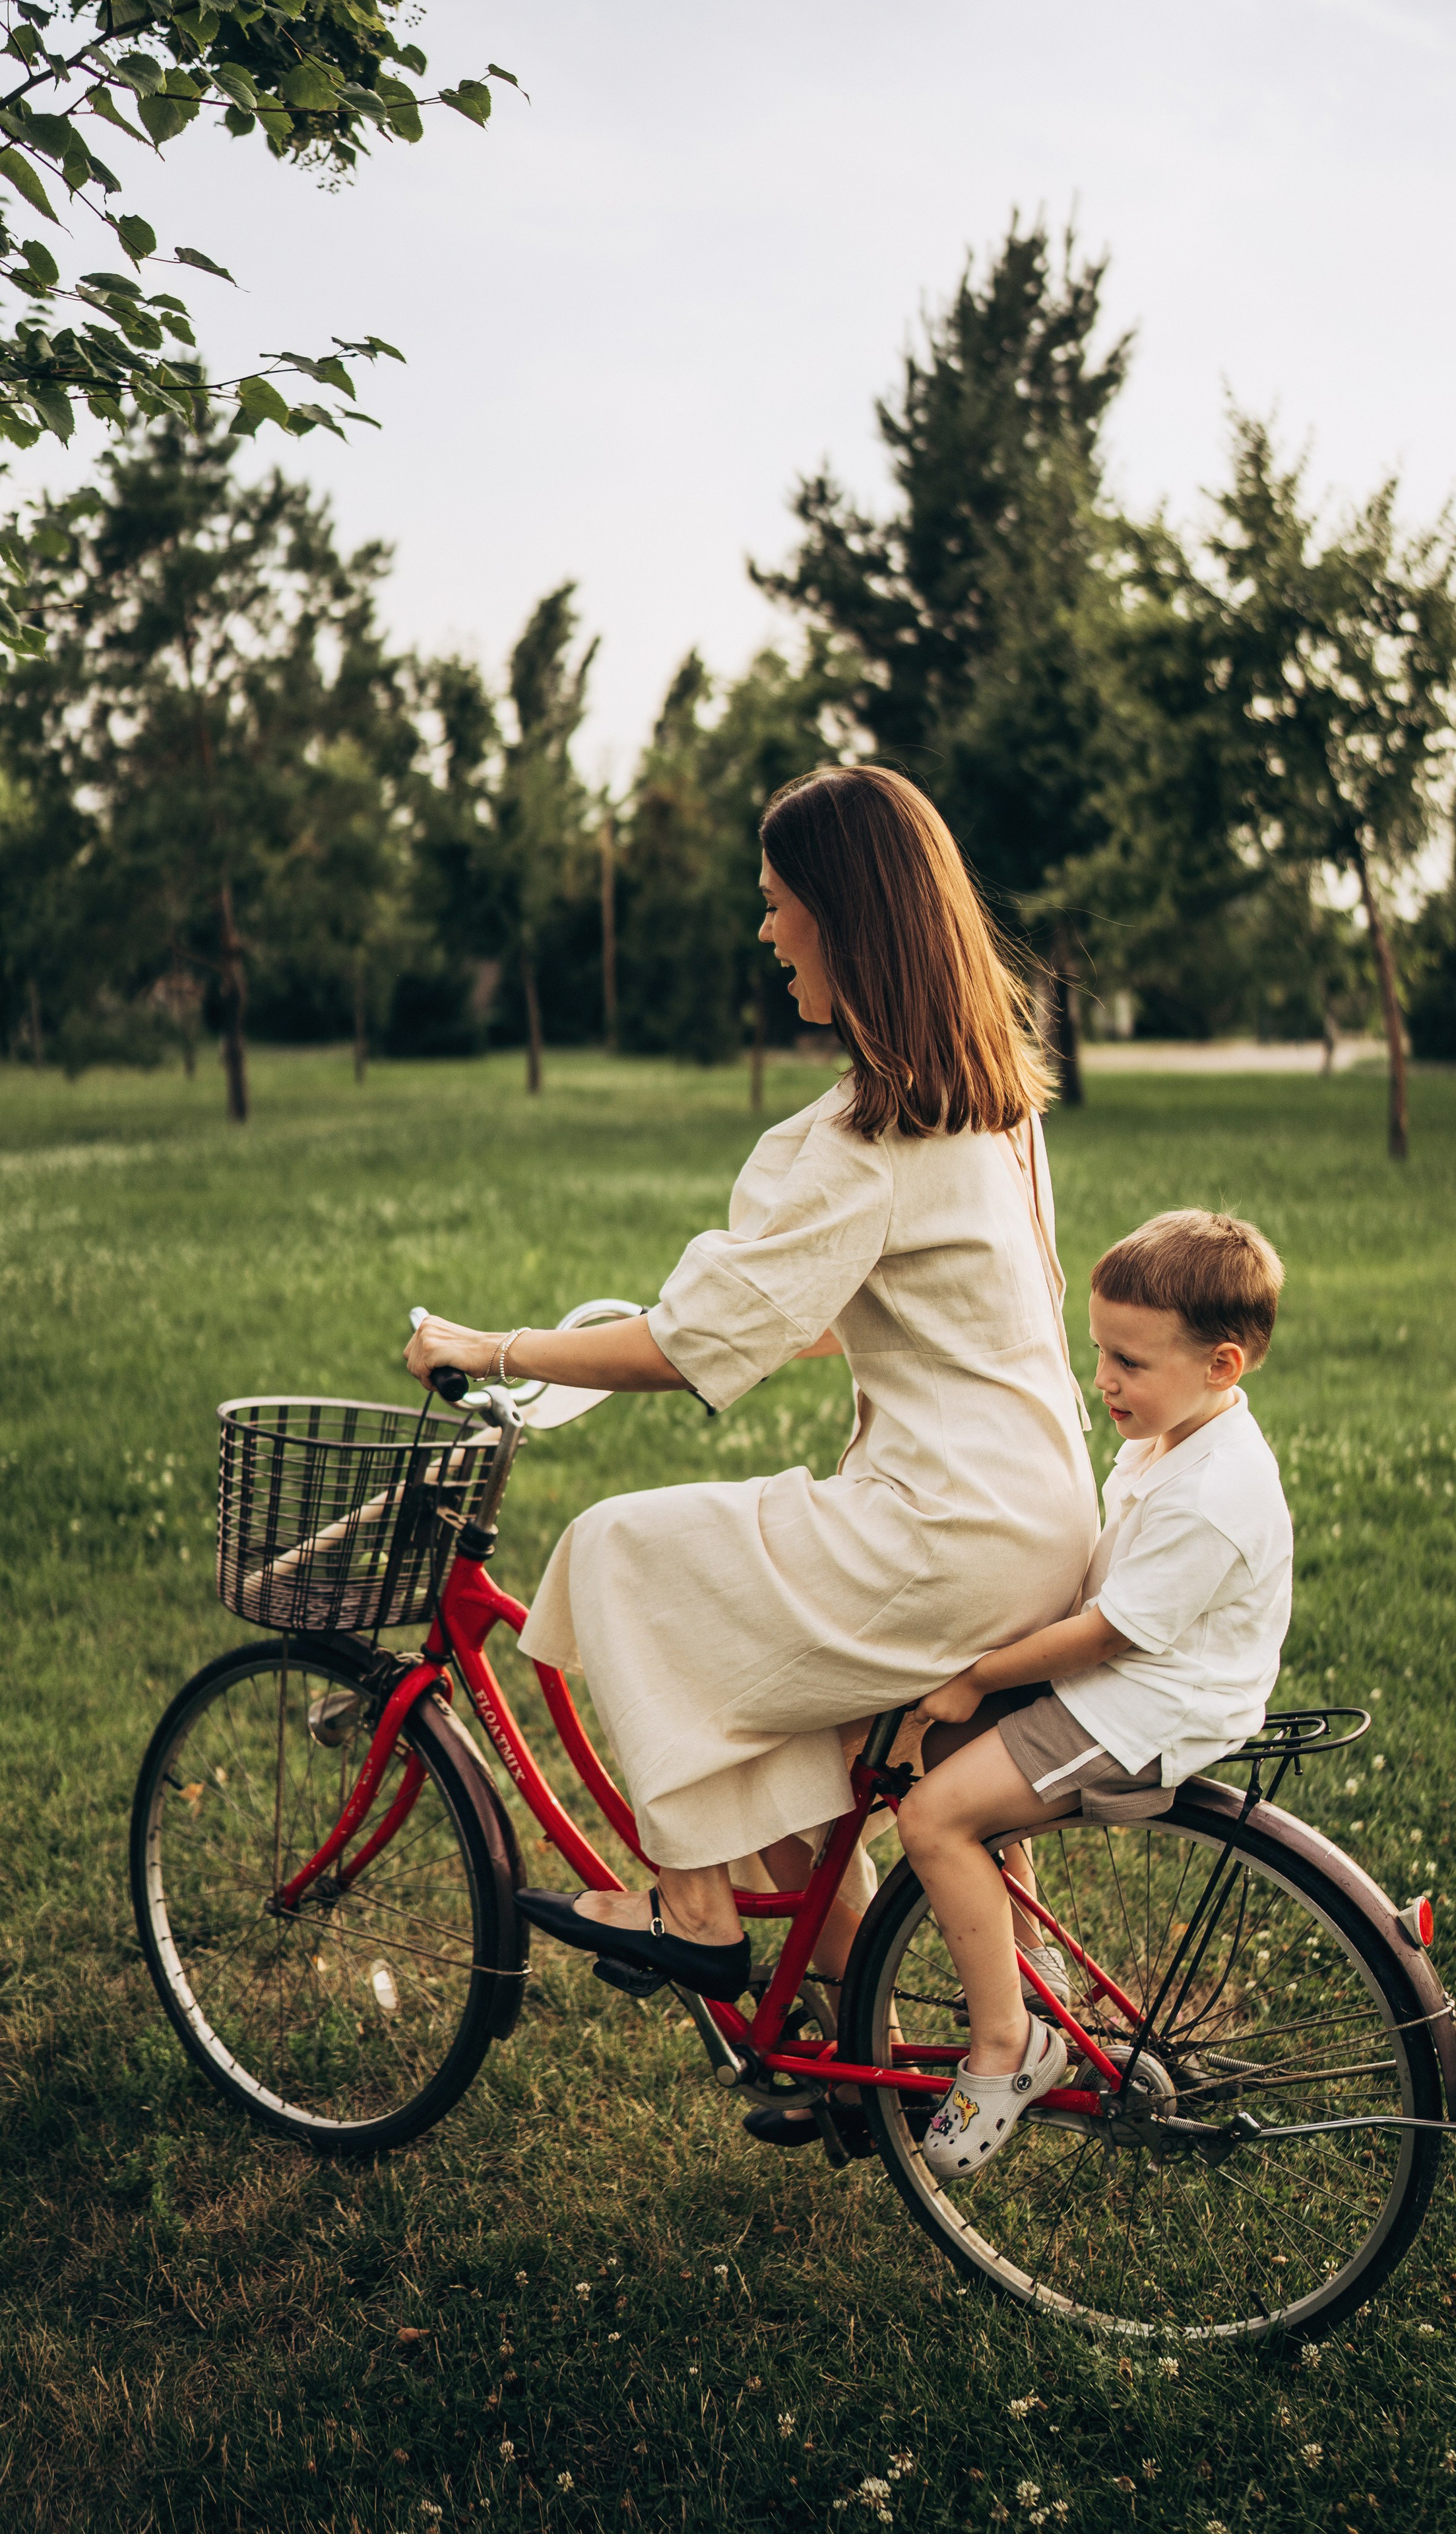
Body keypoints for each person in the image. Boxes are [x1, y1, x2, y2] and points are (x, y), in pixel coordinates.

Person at [403, 765, 1100, 2107]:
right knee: (774, 1712)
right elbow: (930, 1302)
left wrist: (484, 1347)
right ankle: (839, 2047)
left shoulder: (863, 1136)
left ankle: (692, 1913)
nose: (766, 932)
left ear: (846, 919)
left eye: (779, 906)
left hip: (946, 1532)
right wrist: (784, 1318)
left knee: (617, 1551)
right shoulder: (988, 1104)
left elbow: (684, 1345)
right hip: (1036, 1513)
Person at [897, 1209, 1292, 2178]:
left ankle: (1007, 2046)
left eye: (1130, 1362)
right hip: (1121, 1684)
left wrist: (977, 1677)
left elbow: (1113, 1630)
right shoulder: (1174, 1438)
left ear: (1222, 1366)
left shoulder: (1214, 1491)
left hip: (1141, 1707)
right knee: (956, 1765)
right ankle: (1034, 1968)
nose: (1105, 1380)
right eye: (1100, 1352)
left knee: (933, 1818)